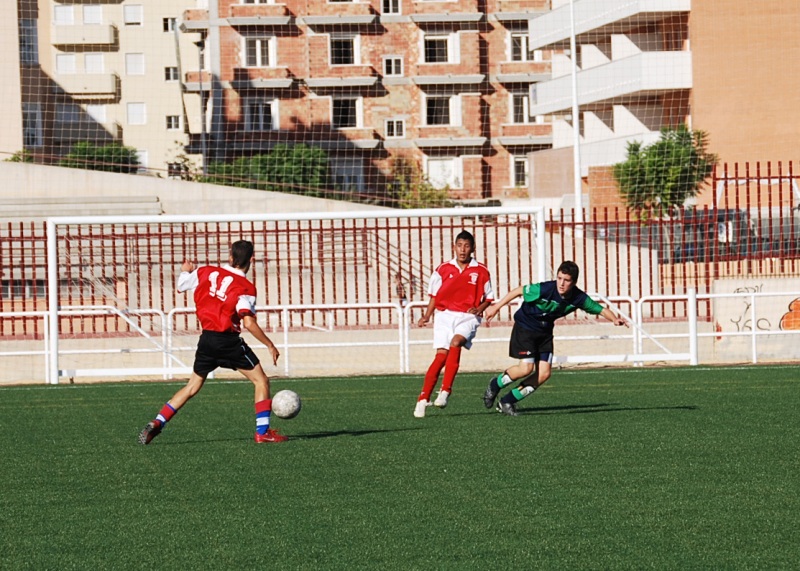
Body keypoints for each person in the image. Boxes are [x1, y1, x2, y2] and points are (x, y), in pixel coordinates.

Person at [138, 240, 287, 444]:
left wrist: (185, 270)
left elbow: (182, 285)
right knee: (261, 380)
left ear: (230, 257)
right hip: (228, 341)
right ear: (251, 260)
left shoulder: (206, 272)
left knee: (192, 386)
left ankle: (158, 421)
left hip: (207, 339)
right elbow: (249, 322)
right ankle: (262, 432)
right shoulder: (245, 287)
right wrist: (269, 344)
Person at [482, 260, 627, 416]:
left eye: (566, 280)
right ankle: (495, 384)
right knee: (526, 369)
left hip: (544, 332)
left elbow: (600, 309)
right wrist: (496, 307)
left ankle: (507, 401)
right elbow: (518, 291)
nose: (561, 283)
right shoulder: (545, 289)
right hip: (526, 327)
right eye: (559, 278)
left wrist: (614, 319)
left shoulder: (578, 298)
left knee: (544, 374)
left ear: (574, 282)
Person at [414, 230, 494, 418]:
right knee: (441, 357)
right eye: (459, 245)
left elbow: (489, 298)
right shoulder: (443, 269)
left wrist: (479, 308)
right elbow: (434, 296)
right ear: (454, 247)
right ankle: (422, 399)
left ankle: (445, 391)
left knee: (456, 342)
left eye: (466, 246)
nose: (463, 250)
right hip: (444, 316)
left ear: (473, 248)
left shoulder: (481, 271)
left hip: (467, 316)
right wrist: (427, 315)